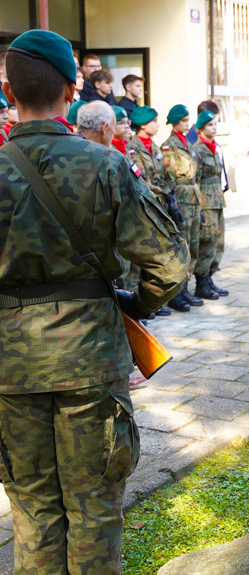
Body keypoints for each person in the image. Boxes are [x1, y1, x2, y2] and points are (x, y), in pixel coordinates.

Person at [0, 29, 188, 574]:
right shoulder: (105, 165)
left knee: (32, 512)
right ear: (70, 89)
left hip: (11, 370)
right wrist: (136, 304)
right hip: (90, 361)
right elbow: (171, 266)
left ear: (10, 92)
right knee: (94, 511)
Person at [128, 105, 178, 315]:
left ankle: (152, 300)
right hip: (143, 205)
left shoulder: (155, 147)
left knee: (157, 251)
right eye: (154, 121)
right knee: (143, 253)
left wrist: (168, 193)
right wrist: (163, 191)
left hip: (159, 203)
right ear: (142, 125)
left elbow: (165, 173)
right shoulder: (133, 148)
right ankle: (136, 300)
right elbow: (141, 180)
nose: (158, 125)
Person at [162, 104, 205, 310]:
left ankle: (186, 288)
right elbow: (169, 177)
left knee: (194, 243)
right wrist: (173, 203)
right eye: (184, 121)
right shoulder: (170, 146)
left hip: (193, 197)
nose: (188, 124)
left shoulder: (186, 143)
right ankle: (176, 292)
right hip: (181, 197)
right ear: (175, 122)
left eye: (188, 120)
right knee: (182, 246)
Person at [192, 110, 230, 300]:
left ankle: (209, 277)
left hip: (217, 199)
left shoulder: (215, 147)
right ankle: (201, 282)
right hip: (206, 201)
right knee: (206, 241)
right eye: (210, 125)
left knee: (218, 241)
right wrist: (198, 205)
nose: (214, 127)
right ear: (200, 128)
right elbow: (195, 180)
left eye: (215, 124)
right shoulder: (198, 150)